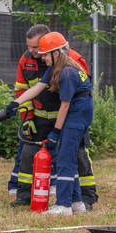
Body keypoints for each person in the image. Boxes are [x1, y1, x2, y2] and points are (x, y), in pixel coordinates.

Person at [8, 25, 98, 211]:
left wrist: (56, 132)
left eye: (44, 54)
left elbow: (66, 104)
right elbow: (37, 87)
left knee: (68, 158)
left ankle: (67, 204)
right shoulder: (55, 65)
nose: (40, 57)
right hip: (56, 116)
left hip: (72, 115)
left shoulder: (66, 71)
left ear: (55, 52)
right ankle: (76, 203)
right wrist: (16, 104)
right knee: (65, 158)